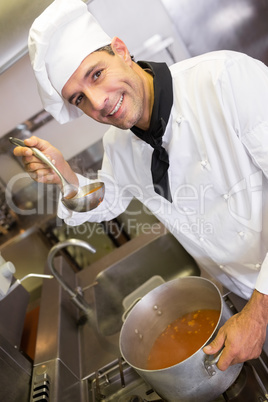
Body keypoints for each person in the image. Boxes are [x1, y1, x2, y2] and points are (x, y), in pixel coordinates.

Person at [13, 0, 268, 371]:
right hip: (244, 302)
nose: (99, 103)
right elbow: (109, 200)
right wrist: (65, 176)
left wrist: (259, 312)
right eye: (79, 99)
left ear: (121, 50)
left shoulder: (225, 78)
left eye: (96, 74)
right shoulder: (118, 145)